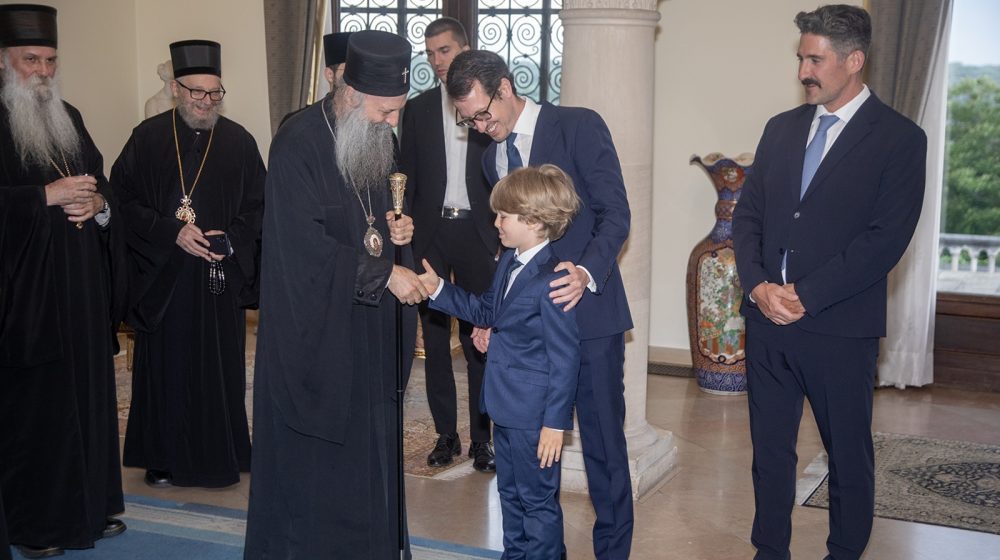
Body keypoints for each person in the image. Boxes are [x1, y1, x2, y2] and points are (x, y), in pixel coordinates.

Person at [731, 5, 927, 559]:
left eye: (815, 60)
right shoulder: (780, 129)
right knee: (770, 453)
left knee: (847, 456)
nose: (803, 72)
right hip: (767, 321)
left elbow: (884, 240)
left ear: (854, 60)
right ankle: (770, 550)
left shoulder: (900, 139)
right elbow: (747, 218)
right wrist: (758, 287)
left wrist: (807, 295)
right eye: (801, 58)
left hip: (839, 328)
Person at [244, 30, 426, 559]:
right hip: (316, 333)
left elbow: (374, 219)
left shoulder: (378, 137)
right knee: (320, 468)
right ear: (350, 92)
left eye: (398, 110)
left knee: (370, 446)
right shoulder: (298, 142)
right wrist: (382, 274)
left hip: (369, 325)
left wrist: (399, 231)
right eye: (385, 110)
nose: (392, 122)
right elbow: (298, 247)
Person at [447, 50, 635, 559]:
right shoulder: (490, 158)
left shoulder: (577, 126)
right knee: (528, 464)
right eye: (468, 121)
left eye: (482, 114)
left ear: (506, 88)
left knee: (602, 448)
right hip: (527, 344)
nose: (480, 128)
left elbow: (615, 213)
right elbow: (510, 249)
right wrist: (496, 319)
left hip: (589, 318)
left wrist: (585, 273)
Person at [0, 4, 127, 557]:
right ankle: (38, 527)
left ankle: (90, 510)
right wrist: (42, 198)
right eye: (31, 59)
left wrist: (99, 205)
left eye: (50, 60)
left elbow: (102, 181)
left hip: (80, 289)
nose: (43, 72)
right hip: (26, 300)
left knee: (87, 398)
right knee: (39, 411)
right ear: (3, 60)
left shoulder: (67, 115)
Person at [111, 39, 265, 489]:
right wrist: (169, 231)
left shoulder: (239, 141)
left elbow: (260, 205)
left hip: (218, 274)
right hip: (165, 277)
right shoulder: (147, 138)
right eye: (197, 91)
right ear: (177, 89)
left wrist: (230, 241)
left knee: (218, 368)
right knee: (168, 366)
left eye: (214, 92)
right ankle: (161, 457)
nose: (205, 101)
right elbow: (121, 200)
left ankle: (220, 455)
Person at [419, 164, 581, 558]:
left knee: (537, 502)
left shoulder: (553, 279)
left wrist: (554, 424)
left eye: (503, 216)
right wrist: (438, 288)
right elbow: (487, 311)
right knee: (509, 494)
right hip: (504, 407)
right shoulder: (510, 260)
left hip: (534, 416)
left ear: (533, 221)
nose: (495, 224)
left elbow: (566, 359)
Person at [400, 17, 498, 472]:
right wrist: (407, 235)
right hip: (431, 235)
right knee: (434, 342)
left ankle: (482, 439)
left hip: (479, 233)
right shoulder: (418, 109)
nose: (437, 60)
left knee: (479, 337)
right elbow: (406, 176)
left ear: (465, 48)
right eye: (430, 53)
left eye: (444, 50)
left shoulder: (486, 104)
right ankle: (446, 435)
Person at [279, 32, 351, 127]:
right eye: (349, 70)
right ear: (330, 75)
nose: (356, 78)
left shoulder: (368, 120)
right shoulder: (297, 123)